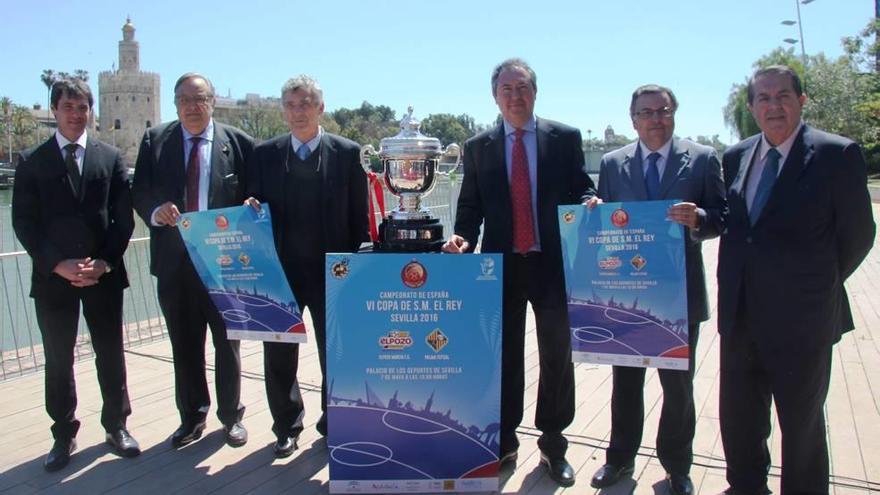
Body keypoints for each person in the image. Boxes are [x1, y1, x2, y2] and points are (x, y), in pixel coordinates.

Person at [717, 65, 875, 494]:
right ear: (751, 107)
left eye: (783, 95)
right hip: (741, 317)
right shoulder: (736, 156)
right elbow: (739, 225)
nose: (773, 105)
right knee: (740, 421)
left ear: (801, 100)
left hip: (802, 322)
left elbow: (859, 236)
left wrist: (812, 283)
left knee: (801, 428)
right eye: (763, 98)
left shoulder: (835, 155)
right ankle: (746, 486)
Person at [442, 58, 595, 487]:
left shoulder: (563, 138)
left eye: (522, 87)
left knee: (556, 358)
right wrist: (462, 238)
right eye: (506, 88)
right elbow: (470, 207)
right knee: (502, 356)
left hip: (551, 265)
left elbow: (582, 185)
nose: (515, 95)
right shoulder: (479, 146)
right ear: (495, 96)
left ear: (535, 92)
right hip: (500, 267)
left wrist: (589, 201)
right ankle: (504, 441)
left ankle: (553, 444)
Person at [587, 85, 727, 494]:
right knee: (625, 383)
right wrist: (593, 210)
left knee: (677, 389)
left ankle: (677, 467)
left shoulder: (702, 159)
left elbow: (723, 217)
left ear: (674, 114)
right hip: (627, 297)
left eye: (663, 111)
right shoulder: (613, 164)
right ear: (633, 119)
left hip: (678, 295)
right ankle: (619, 459)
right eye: (646, 112)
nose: (655, 119)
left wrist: (699, 217)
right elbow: (604, 215)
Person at [12, 78, 139, 471]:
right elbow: (24, 223)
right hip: (54, 280)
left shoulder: (110, 157)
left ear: (91, 111)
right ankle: (63, 434)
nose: (75, 114)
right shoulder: (33, 162)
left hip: (102, 276)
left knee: (110, 353)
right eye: (68, 107)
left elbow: (123, 219)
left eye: (83, 107)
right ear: (54, 110)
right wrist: (57, 264)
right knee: (58, 359)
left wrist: (105, 262)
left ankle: (116, 425)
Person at [243, 75, 368, 458]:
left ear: (320, 108)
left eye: (305, 103)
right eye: (291, 105)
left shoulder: (348, 154)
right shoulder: (264, 154)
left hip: (333, 272)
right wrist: (248, 207)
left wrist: (356, 268)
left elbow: (359, 220)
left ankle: (335, 424)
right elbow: (248, 206)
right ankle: (286, 426)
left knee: (338, 353)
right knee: (279, 354)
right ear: (284, 110)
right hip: (280, 273)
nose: (298, 112)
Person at [132, 73, 254, 448]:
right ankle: (192, 416)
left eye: (199, 99)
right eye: (184, 99)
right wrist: (155, 210)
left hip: (224, 265)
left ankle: (231, 417)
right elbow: (139, 190)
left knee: (227, 345)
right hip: (175, 265)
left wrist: (252, 206)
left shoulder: (240, 143)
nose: (192, 106)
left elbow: (256, 192)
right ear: (175, 103)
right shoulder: (156, 141)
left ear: (212, 101)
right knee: (184, 345)